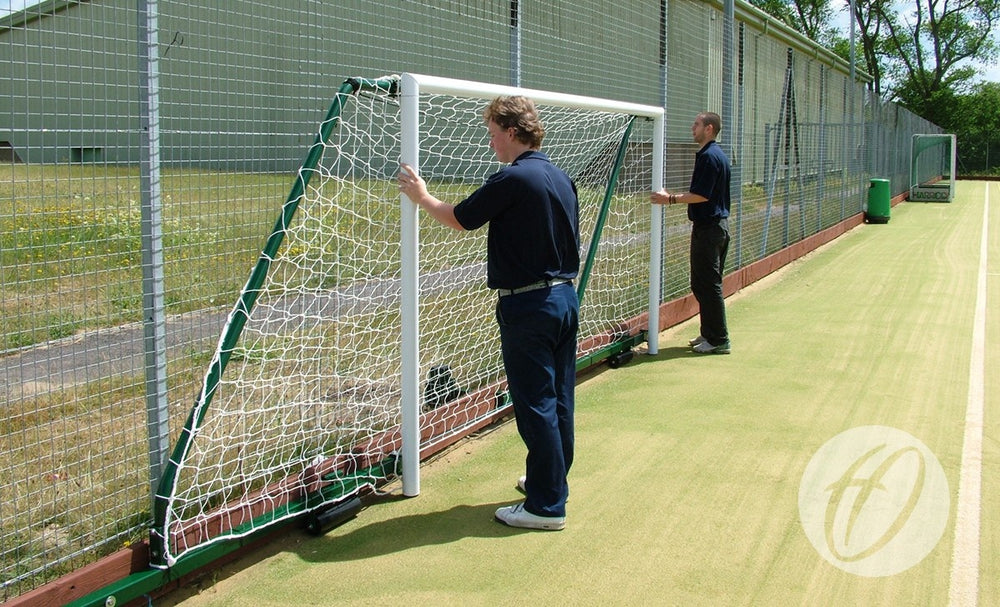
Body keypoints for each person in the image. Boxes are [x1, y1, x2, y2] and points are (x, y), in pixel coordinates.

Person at [397, 95, 578, 531]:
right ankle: (550, 482)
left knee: (536, 403)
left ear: (512, 132)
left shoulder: (512, 178)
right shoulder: (560, 176)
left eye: (494, 134)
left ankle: (546, 507)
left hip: (529, 306)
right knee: (559, 399)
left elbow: (461, 218)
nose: (491, 142)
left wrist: (422, 196)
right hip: (563, 300)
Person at [650, 111, 731, 354]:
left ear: (709, 128)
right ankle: (709, 334)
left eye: (696, 124)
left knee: (708, 284)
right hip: (713, 228)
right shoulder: (714, 155)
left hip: (710, 229)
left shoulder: (709, 157)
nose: (691, 128)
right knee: (701, 283)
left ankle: (719, 340)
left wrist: (670, 199)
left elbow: (702, 195)